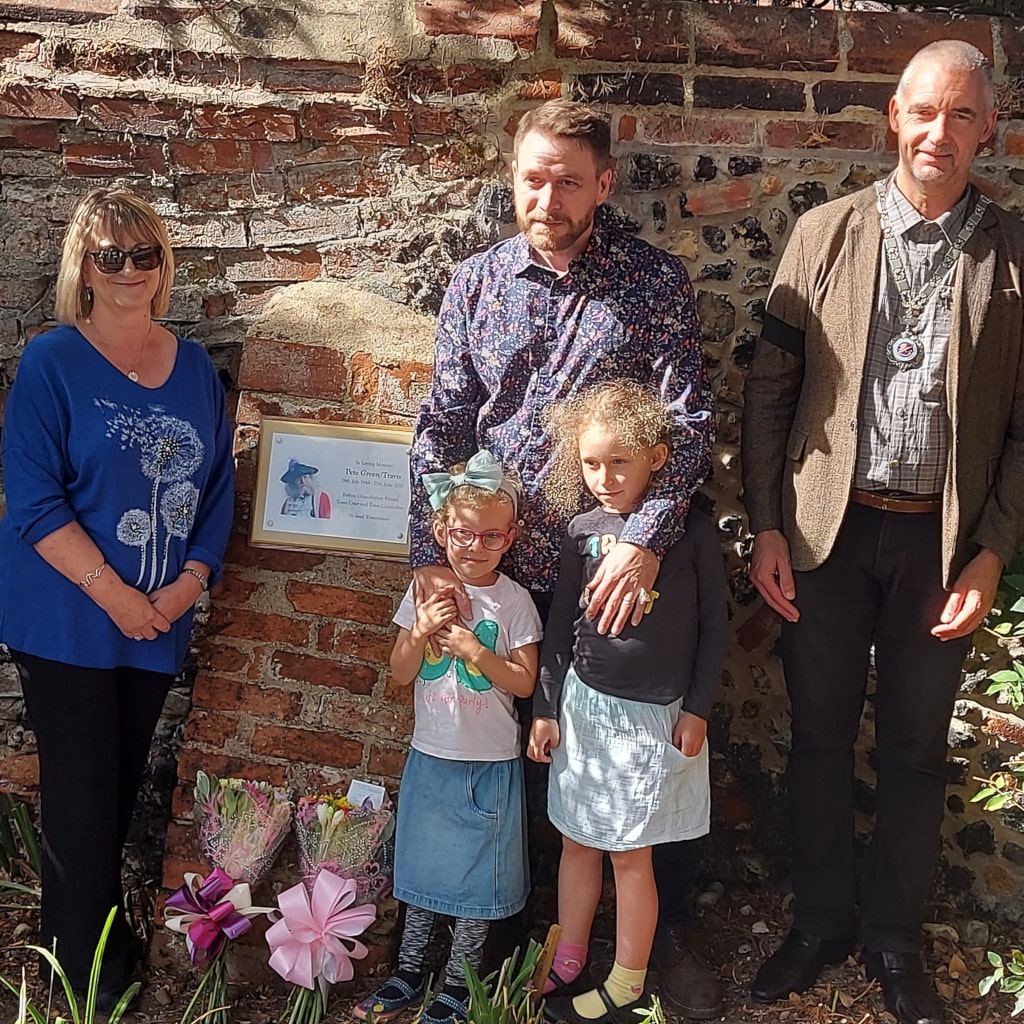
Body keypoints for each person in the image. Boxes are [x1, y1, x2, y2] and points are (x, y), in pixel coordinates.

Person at [408, 97, 720, 1018]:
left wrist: (647, 540)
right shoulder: (474, 284)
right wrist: (436, 555)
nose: (548, 196)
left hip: (605, 566)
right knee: (506, 749)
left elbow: (690, 426)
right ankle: (503, 935)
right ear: (515, 176)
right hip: (500, 566)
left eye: (569, 180)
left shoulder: (654, 284)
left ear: (605, 185)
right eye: (534, 177)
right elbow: (442, 428)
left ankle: (654, 943)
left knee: (633, 755)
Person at [741, 40, 1024, 1024]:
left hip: (937, 548)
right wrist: (764, 527)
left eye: (961, 116)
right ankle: (818, 922)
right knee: (817, 737)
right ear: (892, 117)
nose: (938, 133)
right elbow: (768, 392)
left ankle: (895, 943)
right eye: (923, 112)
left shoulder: (1013, 252)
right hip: (824, 537)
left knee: (912, 749)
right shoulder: (823, 235)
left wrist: (990, 550)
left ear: (989, 128)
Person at [0, 188, 234, 1010]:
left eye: (146, 255)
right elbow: (32, 500)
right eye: (111, 256)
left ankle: (106, 943)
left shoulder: (196, 368)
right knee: (79, 797)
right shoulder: (51, 363)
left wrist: (184, 586)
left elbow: (216, 492)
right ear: (83, 269)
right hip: (66, 617)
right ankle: (86, 981)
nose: (130, 269)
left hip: (158, 617)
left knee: (119, 788)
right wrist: (117, 596)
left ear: (164, 267)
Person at [528, 382, 726, 1024]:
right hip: (585, 711)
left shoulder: (688, 534)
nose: (605, 477)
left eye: (620, 461)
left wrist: (697, 708)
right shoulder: (581, 529)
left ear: (659, 457)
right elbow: (561, 626)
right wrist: (546, 706)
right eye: (591, 463)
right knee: (577, 841)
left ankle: (628, 983)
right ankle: (569, 957)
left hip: (653, 718)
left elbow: (716, 628)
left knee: (629, 855)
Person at [352, 450, 542, 1024]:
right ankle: (409, 972)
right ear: (442, 531)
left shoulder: (513, 601)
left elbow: (525, 678)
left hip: (488, 761)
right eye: (463, 535)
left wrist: (476, 652)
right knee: (424, 870)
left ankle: (460, 983)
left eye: (490, 537)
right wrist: (422, 631)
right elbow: (400, 671)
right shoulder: (426, 593)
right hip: (431, 755)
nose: (475, 547)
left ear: (509, 538)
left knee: (477, 878)